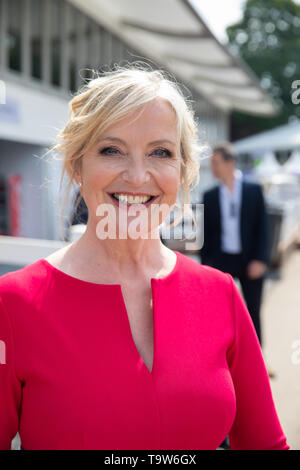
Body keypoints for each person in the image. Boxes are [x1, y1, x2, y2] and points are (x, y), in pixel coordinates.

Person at [0, 67, 289, 450]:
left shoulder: (220, 293)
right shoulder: (13, 303)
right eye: (111, 150)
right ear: (76, 165)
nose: (137, 176)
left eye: (160, 152)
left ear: (183, 170)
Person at [201, 143, 269, 347]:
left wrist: (260, 259)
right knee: (219, 312)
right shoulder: (209, 196)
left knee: (253, 310)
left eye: (216, 163)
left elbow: (264, 227)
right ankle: (222, 360)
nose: (212, 168)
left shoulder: (254, 191)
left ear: (230, 162)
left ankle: (259, 361)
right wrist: (206, 267)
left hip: (250, 260)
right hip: (222, 261)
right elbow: (206, 235)